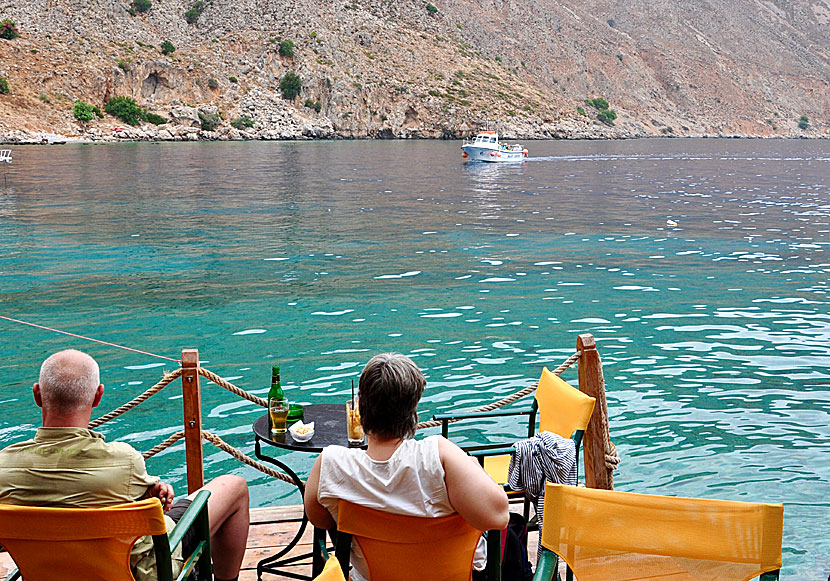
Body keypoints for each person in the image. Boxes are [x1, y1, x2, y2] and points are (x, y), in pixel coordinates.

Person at [0, 349, 250, 581]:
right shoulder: (124, 461)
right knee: (234, 486)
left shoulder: (4, 466)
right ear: (98, 396)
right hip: (137, 573)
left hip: (47, 571)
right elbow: (154, 514)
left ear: (36, 394)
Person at [304, 352, 509, 580]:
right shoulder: (437, 457)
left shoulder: (332, 464)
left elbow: (319, 519)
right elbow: (498, 517)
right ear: (412, 411)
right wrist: (473, 466)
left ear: (359, 407)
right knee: (513, 533)